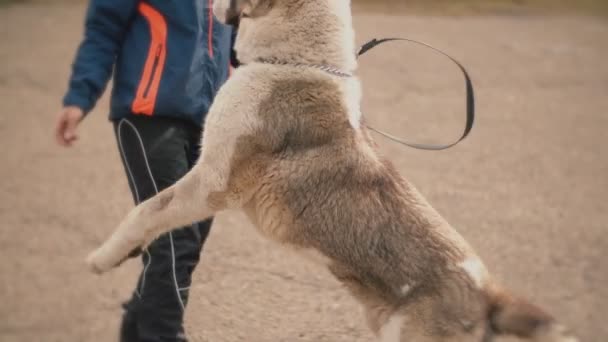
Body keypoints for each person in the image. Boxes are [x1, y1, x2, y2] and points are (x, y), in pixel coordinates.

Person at [55, 1, 237, 341]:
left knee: (189, 241)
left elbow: (246, 42)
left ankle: (136, 330)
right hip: (148, 111)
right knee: (174, 235)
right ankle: (164, 334)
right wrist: (80, 96)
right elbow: (104, 28)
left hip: (213, 121)